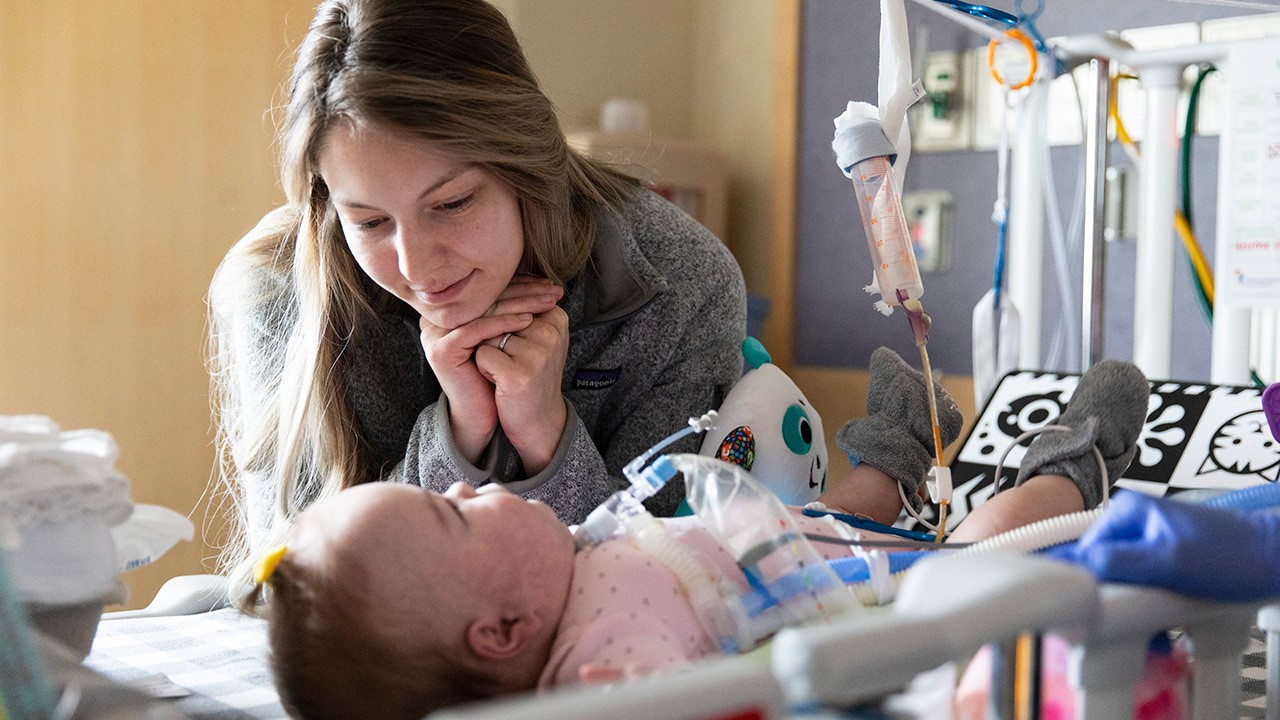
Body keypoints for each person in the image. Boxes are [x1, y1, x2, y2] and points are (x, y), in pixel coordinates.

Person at [250, 349, 1155, 719]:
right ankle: (1066, 469)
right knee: (983, 550)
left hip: (787, 545)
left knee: (835, 512)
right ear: (500, 633)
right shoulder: (604, 674)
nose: (470, 488)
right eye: (453, 512)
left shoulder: (569, 571)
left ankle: (898, 453)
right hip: (876, 607)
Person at [207, 0, 746, 598]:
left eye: (452, 204)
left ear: (528, 168)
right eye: (369, 222)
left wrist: (545, 435)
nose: (417, 268)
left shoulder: (682, 280)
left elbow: (672, 588)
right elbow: (295, 592)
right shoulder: (278, 288)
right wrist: (458, 436)